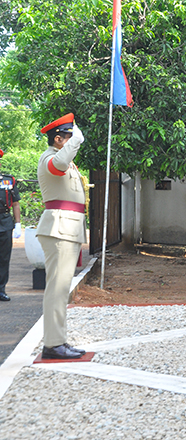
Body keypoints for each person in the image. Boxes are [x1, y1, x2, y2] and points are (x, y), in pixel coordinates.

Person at [37, 113, 88, 359]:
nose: (73, 142)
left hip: (67, 227)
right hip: (59, 227)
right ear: (58, 139)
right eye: (69, 137)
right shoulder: (50, 159)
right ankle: (53, 344)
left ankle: (58, 341)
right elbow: (59, 164)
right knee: (57, 288)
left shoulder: (64, 161)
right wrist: (76, 139)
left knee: (61, 287)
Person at [0, 149, 22, 302]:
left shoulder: (8, 180)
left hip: (4, 221)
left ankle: (1, 290)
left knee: (4, 258)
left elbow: (15, 203)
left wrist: (18, 224)